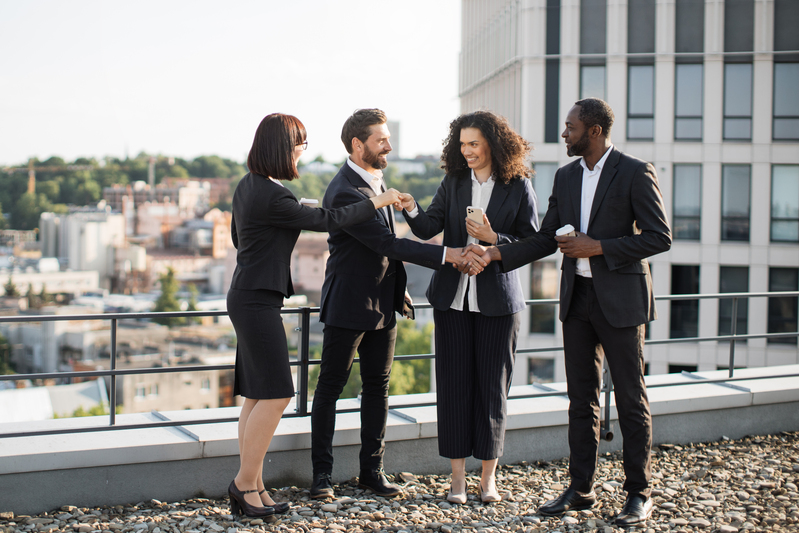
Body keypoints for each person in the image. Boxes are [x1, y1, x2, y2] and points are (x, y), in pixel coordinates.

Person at [463, 98, 671, 525]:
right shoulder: (565, 175)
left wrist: (598, 247)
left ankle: (639, 493)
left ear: (593, 130)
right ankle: (581, 489)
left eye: (570, 127)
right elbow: (542, 240)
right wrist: (494, 252)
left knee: (631, 398)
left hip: (622, 301)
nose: (564, 133)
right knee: (581, 399)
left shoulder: (635, 171)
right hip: (577, 300)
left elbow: (659, 237)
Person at [227, 113, 403, 518]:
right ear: (281, 149)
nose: (303, 151)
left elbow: (241, 237)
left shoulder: (249, 187)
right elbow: (328, 221)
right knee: (278, 394)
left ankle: (253, 484)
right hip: (257, 301)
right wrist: (377, 200)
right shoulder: (275, 196)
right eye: (298, 145)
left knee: (256, 395)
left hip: (247, 293)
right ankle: (242, 485)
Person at [310, 108, 473, 499]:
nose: (389, 145)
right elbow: (386, 244)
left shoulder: (377, 181)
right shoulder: (345, 189)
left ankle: (372, 471)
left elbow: (386, 253)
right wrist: (448, 255)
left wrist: (398, 288)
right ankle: (321, 478)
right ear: (357, 144)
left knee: (378, 389)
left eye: (387, 138)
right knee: (330, 389)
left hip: (384, 305)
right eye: (381, 139)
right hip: (348, 306)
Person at [396, 111, 539, 504]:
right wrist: (410, 208)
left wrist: (492, 244)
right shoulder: (454, 182)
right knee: (454, 388)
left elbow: (531, 242)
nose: (467, 151)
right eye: (462, 144)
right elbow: (428, 229)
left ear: (493, 143)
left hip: (498, 302)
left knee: (493, 389)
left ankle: (488, 479)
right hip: (452, 301)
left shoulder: (518, 186)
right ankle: (458, 480)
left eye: (474, 143)